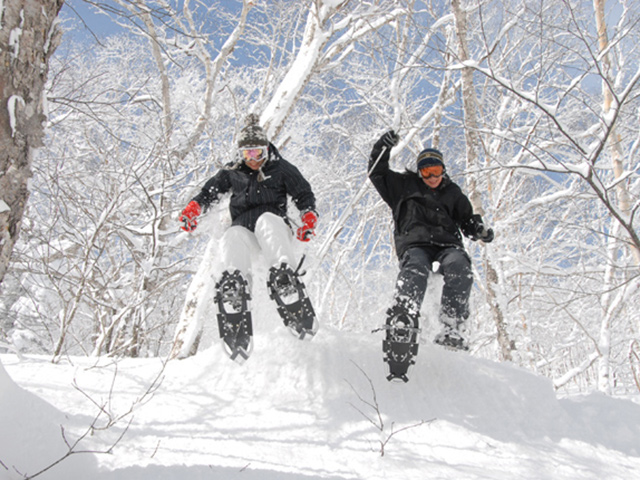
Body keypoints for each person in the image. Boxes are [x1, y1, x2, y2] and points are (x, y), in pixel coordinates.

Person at [179, 114, 319, 358]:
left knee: (266, 221)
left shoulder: (282, 168)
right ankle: (235, 289)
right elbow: (209, 192)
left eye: (258, 153)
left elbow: (304, 193)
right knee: (232, 235)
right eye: (248, 154)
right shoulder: (232, 172)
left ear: (267, 149)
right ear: (241, 154)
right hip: (245, 230)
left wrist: (308, 217)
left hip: (273, 227)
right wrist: (194, 208)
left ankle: (284, 277)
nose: (253, 160)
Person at [368, 130, 494, 358]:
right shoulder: (403, 186)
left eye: (435, 171)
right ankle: (404, 316)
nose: (431, 177)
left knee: (460, 266)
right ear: (419, 172)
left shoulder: (452, 192)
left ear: (443, 171)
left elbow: (467, 219)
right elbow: (377, 172)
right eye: (426, 172)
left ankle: (452, 325)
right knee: (415, 267)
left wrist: (478, 229)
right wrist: (383, 147)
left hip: (447, 245)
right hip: (415, 243)